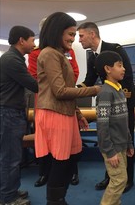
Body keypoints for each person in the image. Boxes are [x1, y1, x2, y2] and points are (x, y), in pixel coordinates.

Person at [35, 12, 100, 204]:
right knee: (61, 162)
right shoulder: (49, 54)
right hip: (54, 114)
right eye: (70, 34)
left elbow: (65, 91)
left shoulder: (59, 54)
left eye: (75, 35)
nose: (73, 39)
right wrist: (95, 89)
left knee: (73, 156)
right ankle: (55, 200)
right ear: (57, 32)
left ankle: (58, 198)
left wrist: (77, 113)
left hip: (65, 113)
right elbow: (60, 91)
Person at [77, 22, 135, 193]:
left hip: (123, 102)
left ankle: (128, 179)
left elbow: (127, 77)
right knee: (110, 139)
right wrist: (73, 91)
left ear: (92, 34)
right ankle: (111, 177)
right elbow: (89, 80)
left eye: (81, 36)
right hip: (107, 101)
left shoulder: (115, 48)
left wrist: (119, 99)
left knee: (125, 140)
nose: (79, 40)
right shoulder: (92, 56)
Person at [28, 20, 80, 188]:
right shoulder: (40, 53)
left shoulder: (68, 51)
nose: (72, 39)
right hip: (48, 102)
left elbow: (74, 71)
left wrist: (67, 86)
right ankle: (45, 174)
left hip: (67, 100)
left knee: (67, 147)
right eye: (70, 34)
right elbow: (36, 77)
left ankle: (71, 174)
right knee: (51, 146)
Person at [0, 25, 38, 205]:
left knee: (13, 157)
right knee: (10, 158)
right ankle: (7, 198)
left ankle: (11, 191)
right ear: (21, 40)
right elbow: (34, 85)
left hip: (11, 113)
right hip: (8, 114)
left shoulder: (15, 58)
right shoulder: (11, 60)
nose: (34, 44)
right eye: (32, 40)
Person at [95, 51, 135, 205]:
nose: (123, 69)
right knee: (119, 180)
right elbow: (102, 126)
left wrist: (129, 143)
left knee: (119, 179)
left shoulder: (119, 90)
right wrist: (109, 151)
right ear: (108, 69)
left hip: (121, 145)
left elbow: (124, 123)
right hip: (112, 147)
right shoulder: (105, 93)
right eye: (119, 65)